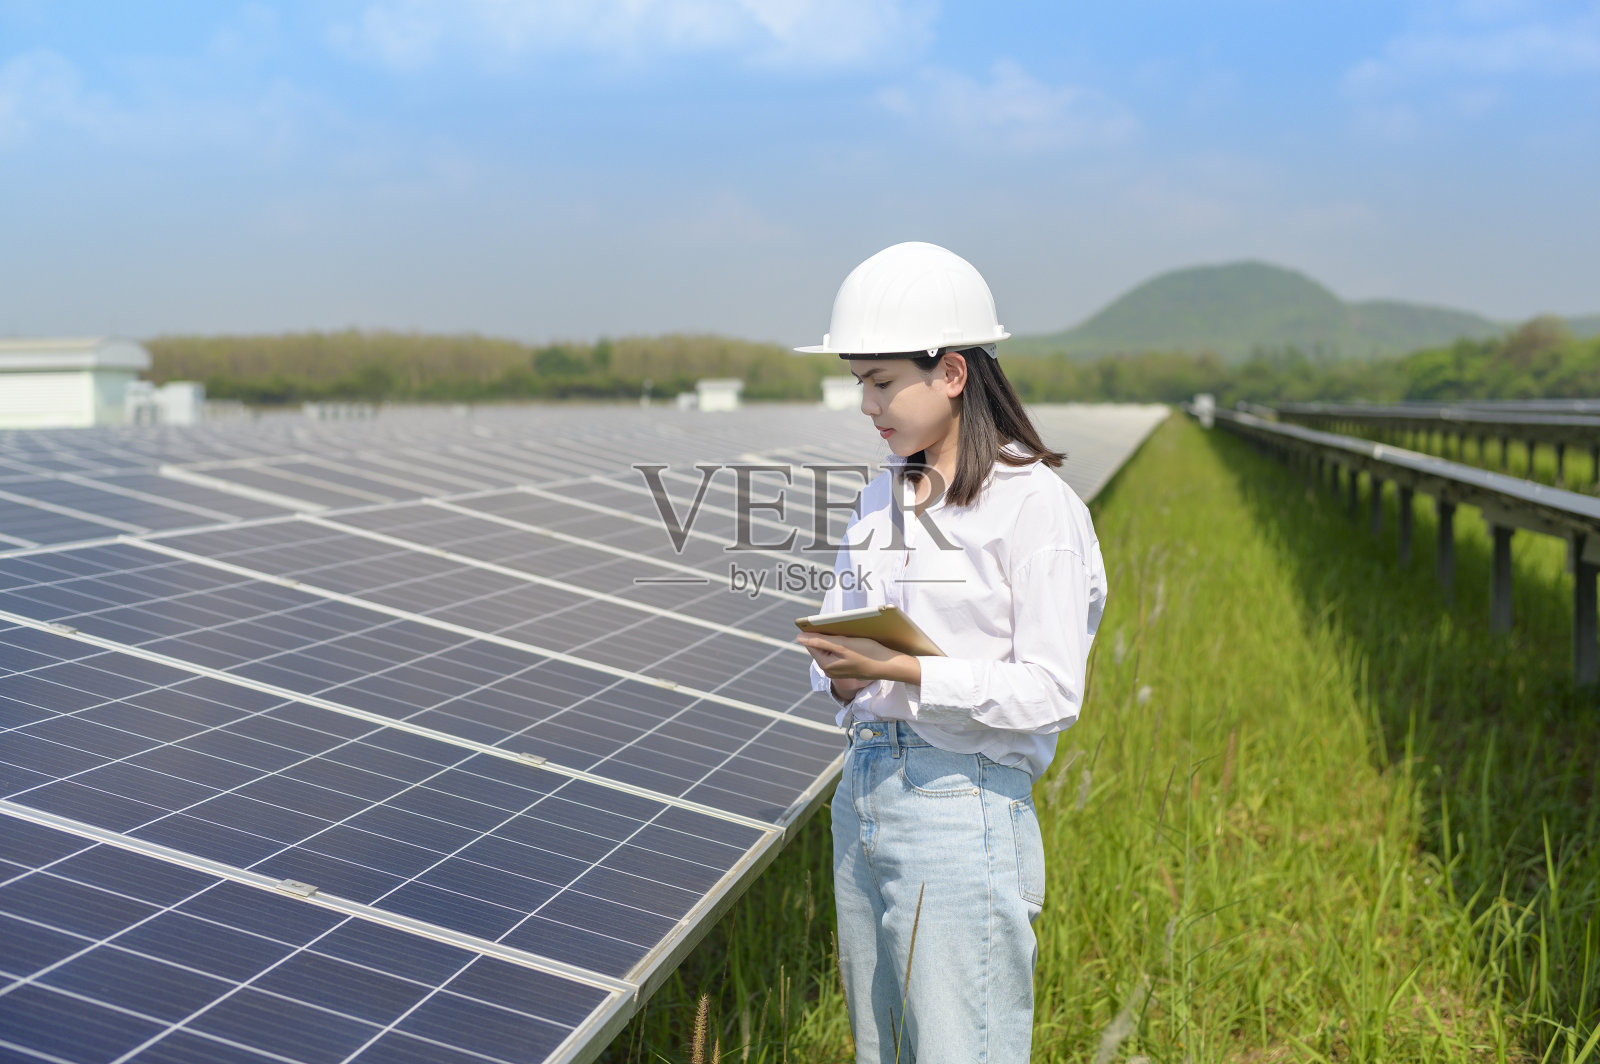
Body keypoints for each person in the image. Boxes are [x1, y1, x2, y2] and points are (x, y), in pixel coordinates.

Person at [795, 241, 1108, 1064]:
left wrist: (908, 669)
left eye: (882, 380)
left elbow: (1050, 691)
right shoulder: (878, 496)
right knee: (884, 1054)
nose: (868, 404)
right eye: (860, 381)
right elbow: (840, 637)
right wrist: (842, 666)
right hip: (862, 790)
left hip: (959, 801)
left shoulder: (1035, 507)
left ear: (954, 374)